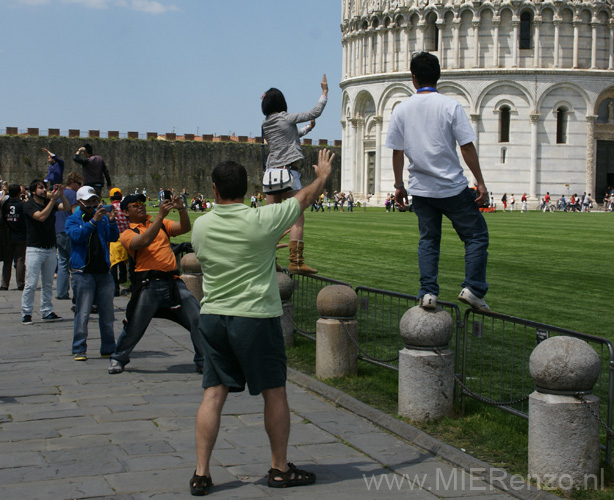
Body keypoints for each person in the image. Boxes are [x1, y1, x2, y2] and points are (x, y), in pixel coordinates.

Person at [189, 149, 334, 496]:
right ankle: (279, 468)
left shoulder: (202, 225)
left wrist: (264, 248)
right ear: (245, 188)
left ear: (213, 189)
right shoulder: (262, 221)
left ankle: (201, 473)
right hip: (254, 316)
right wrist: (323, 175)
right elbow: (303, 198)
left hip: (212, 317)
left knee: (213, 394)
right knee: (274, 392)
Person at [386, 52, 489, 311]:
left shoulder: (401, 109)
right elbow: (466, 147)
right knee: (476, 236)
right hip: (452, 186)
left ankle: (428, 292)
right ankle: (473, 288)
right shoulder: (450, 106)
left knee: (429, 241)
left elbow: (397, 152)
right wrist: (481, 182)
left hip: (421, 189)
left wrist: (399, 185)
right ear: (438, 76)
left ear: (413, 78)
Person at [107, 193, 204, 374]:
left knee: (197, 317)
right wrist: (160, 216)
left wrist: (182, 209)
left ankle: (202, 359)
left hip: (173, 281)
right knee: (135, 324)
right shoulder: (127, 234)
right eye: (135, 204)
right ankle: (118, 357)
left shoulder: (160, 225)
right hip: (148, 284)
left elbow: (184, 227)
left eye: (142, 203)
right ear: (126, 213)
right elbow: (143, 241)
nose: (141, 206)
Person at [261, 74, 328, 274]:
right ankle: (296, 261)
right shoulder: (286, 118)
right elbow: (315, 111)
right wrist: (324, 92)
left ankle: (267, 261)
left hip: (271, 175)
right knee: (297, 217)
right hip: (288, 173)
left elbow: (291, 136)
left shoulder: (266, 125)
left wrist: (308, 129)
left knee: (269, 222)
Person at [66, 186, 119, 361]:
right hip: (84, 273)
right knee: (82, 313)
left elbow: (113, 237)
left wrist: (111, 221)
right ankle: (79, 348)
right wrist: (93, 222)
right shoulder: (73, 219)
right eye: (88, 202)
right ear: (80, 202)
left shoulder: (102, 218)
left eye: (94, 201)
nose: (92, 205)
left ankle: (108, 347)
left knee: (107, 313)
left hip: (103, 271)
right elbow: (77, 237)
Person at [21, 179, 71, 324]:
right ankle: (26, 312)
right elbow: (41, 217)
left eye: (44, 188)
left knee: (48, 283)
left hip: (50, 248)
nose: (44, 190)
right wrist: (52, 201)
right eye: (40, 188)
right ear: (33, 191)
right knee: (31, 283)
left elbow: (66, 207)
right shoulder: (28, 205)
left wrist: (61, 194)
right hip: (35, 249)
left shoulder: (51, 202)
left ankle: (47, 310)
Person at [55, 171, 81, 300]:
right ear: (73, 182)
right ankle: (77, 293)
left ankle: (61, 292)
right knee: (75, 263)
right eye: (79, 183)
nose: (80, 186)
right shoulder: (73, 195)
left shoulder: (59, 193)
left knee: (63, 263)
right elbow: (74, 212)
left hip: (58, 230)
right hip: (69, 231)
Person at [1, 184, 27, 291]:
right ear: (19, 193)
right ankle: (20, 283)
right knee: (20, 259)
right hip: (20, 235)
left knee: (7, 261)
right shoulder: (22, 205)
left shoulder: (5, 204)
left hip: (8, 235)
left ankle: (4, 284)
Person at [108, 187, 130, 296]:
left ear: (111, 197)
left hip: (114, 238)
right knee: (124, 260)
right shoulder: (124, 207)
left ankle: (115, 289)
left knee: (113, 264)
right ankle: (124, 278)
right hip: (126, 237)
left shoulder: (110, 209)